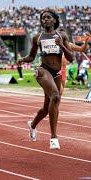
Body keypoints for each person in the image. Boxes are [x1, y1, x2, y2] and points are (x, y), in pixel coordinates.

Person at [18, 9, 73, 150]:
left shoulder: (62, 35)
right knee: (55, 96)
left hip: (57, 73)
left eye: (48, 17)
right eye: (43, 18)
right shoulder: (37, 37)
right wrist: (23, 60)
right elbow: (31, 56)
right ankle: (54, 137)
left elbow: (71, 58)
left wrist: (61, 45)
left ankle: (32, 125)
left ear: (54, 20)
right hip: (43, 70)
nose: (45, 20)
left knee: (47, 108)